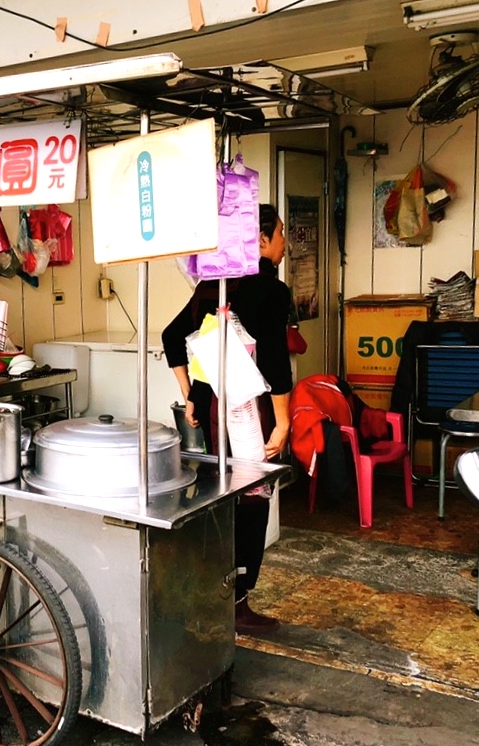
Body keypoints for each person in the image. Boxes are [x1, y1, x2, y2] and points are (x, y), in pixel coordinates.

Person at [161, 203, 292, 635]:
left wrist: (192, 395)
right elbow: (273, 362)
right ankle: (237, 602)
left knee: (220, 498)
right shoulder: (271, 291)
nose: (285, 242)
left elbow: (172, 336)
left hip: (216, 413)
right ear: (263, 240)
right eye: (281, 233)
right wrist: (284, 420)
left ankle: (215, 593)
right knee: (253, 501)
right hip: (249, 412)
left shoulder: (214, 284)